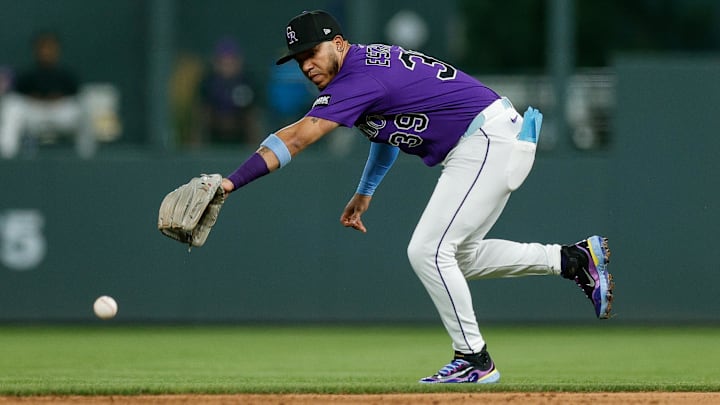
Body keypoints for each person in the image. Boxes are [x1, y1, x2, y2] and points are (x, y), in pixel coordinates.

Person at [219, 10, 614, 384]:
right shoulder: (363, 67)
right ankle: (573, 260)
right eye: (298, 59)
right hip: (487, 138)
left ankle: (473, 359)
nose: (305, 65)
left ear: (338, 43)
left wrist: (230, 183)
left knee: (427, 251)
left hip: (484, 140)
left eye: (311, 53)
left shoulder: (358, 78)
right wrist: (365, 191)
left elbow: (297, 137)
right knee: (459, 257)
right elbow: (386, 132)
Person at [0, 32, 87, 158]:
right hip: (34, 113)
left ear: (57, 50)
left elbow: (75, 96)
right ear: (36, 50)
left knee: (83, 109)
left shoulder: (66, 76)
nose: (46, 51)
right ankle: (6, 156)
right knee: (12, 107)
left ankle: (86, 158)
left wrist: (58, 99)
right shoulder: (27, 76)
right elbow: (19, 96)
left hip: (60, 113)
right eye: (43, 48)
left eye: (50, 47)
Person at [193, 38, 262, 146]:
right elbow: (202, 116)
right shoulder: (209, 82)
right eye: (223, 62)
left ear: (239, 62)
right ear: (216, 63)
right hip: (214, 135)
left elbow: (252, 118)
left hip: (240, 136)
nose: (227, 66)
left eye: (231, 62)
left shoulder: (247, 82)